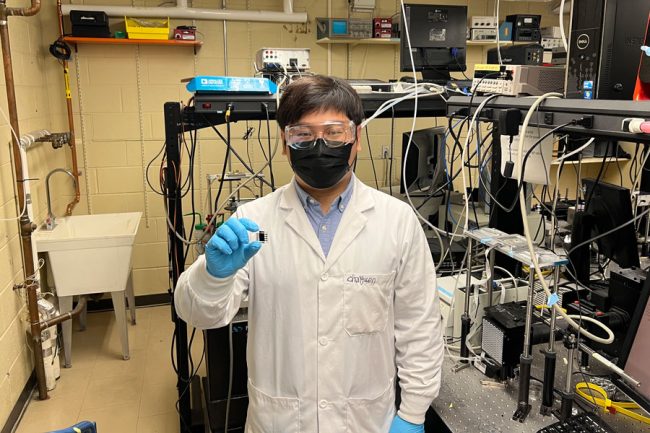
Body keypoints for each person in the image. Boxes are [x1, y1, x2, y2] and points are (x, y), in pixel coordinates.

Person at [174, 75, 443, 433]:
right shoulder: (258, 226)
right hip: (281, 420)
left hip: (365, 420)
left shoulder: (395, 222)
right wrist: (213, 276)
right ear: (285, 144)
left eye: (334, 132)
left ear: (356, 139)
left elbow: (419, 327)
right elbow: (200, 315)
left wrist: (412, 413)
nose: (320, 145)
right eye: (302, 134)